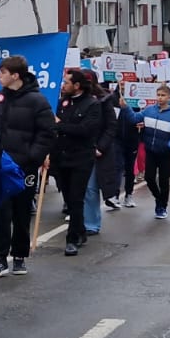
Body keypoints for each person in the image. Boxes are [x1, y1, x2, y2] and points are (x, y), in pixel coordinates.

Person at [0, 56, 54, 278]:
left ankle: (19, 256)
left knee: (21, 211)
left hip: (25, 167)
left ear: (15, 75)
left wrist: (32, 157)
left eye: (2, 72)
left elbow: (47, 133)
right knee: (0, 212)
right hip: (0, 166)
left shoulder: (38, 101)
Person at [51, 69, 103, 256]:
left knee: (76, 198)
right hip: (61, 157)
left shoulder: (92, 104)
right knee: (68, 198)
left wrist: (59, 125)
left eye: (66, 82)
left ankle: (71, 239)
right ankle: (80, 231)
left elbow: (85, 130)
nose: (63, 85)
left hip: (81, 158)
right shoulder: (61, 103)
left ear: (77, 85)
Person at [137, 84, 170, 220]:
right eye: (158, 95)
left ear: (169, 97)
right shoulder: (149, 110)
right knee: (149, 178)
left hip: (164, 152)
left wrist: (169, 146)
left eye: (163, 95)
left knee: (164, 181)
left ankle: (162, 206)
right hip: (151, 151)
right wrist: (125, 108)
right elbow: (135, 118)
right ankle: (158, 199)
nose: (160, 98)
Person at [82, 72, 115, 236]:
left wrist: (100, 147)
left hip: (95, 150)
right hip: (76, 150)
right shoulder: (71, 100)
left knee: (90, 188)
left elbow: (111, 126)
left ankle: (91, 223)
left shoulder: (104, 101)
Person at [113, 91, 140, 209]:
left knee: (130, 169)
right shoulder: (113, 97)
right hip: (117, 139)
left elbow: (142, 115)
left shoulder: (139, 94)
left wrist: (142, 123)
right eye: (122, 82)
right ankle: (115, 196)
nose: (124, 83)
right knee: (117, 167)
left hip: (132, 139)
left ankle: (129, 195)